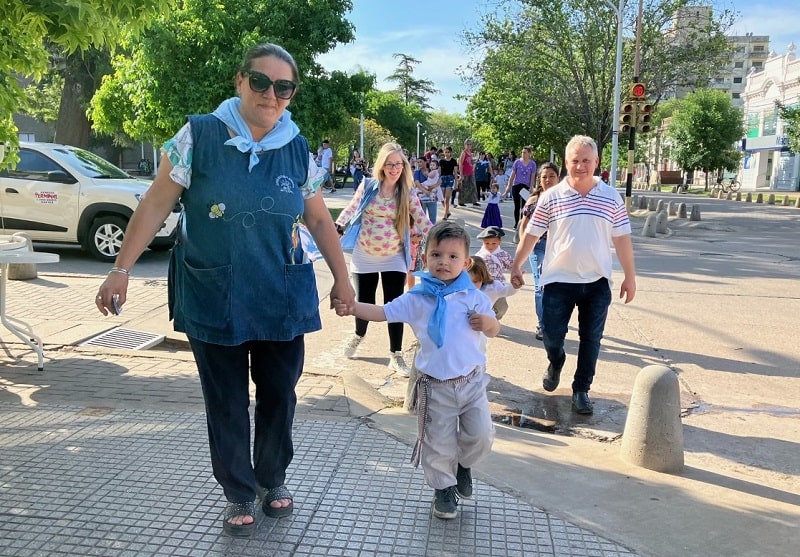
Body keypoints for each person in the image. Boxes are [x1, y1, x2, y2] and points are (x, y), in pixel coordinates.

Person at [93, 43, 356, 537]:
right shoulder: (199, 135)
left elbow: (319, 219)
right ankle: (237, 490)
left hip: (280, 292)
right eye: (261, 82)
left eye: (284, 87)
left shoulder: (297, 147)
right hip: (214, 292)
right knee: (226, 399)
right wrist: (121, 268)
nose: (271, 94)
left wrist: (343, 278)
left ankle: (271, 478)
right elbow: (155, 203)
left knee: (279, 393)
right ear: (240, 81)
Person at [332, 221, 499, 520]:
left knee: (482, 435)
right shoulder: (417, 298)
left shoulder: (473, 297)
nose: (444, 262)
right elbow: (383, 312)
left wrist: (488, 323)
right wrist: (354, 308)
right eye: (436, 255)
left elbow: (494, 329)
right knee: (438, 443)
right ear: (425, 258)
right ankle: (443, 489)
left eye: (452, 256)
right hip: (435, 387)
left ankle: (463, 465)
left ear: (466, 263)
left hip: (471, 383)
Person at [510, 135, 636, 415]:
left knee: (592, 339)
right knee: (552, 335)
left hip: (596, 282)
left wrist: (630, 276)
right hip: (558, 280)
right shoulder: (552, 196)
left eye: (586, 160)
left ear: (596, 162)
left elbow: (622, 239)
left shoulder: (611, 197)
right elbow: (531, 234)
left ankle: (581, 390)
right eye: (575, 161)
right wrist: (516, 265)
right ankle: (556, 361)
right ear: (566, 163)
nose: (581, 166)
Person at [335, 142, 433, 376]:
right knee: (364, 301)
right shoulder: (368, 186)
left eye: (399, 164)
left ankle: (396, 354)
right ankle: (358, 335)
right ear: (382, 165)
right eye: (390, 164)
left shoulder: (407, 192)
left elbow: (422, 219)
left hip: (394, 256)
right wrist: (339, 225)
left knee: (395, 304)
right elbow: (351, 209)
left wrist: (441, 237)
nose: (395, 169)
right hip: (365, 254)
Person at [517, 162, 560, 340]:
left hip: (558, 248)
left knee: (556, 287)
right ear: (539, 180)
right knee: (540, 285)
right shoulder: (534, 200)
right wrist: (524, 249)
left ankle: (554, 320)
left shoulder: (565, 199)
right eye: (544, 177)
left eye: (552, 176)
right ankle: (543, 325)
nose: (548, 180)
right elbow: (524, 227)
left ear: (558, 178)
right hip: (538, 246)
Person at [475, 226, 514, 319]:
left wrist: (517, 270)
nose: (490, 246)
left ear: (499, 242)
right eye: (487, 243)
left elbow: (511, 265)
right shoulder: (479, 255)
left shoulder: (503, 254)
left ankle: (494, 319)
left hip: (498, 285)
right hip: (483, 285)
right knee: (481, 305)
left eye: (494, 243)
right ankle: (484, 320)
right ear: (483, 242)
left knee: (502, 307)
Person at [467, 255, 520, 320]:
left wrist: (515, 286)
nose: (471, 286)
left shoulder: (492, 287)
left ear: (483, 277)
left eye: (475, 281)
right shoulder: (458, 289)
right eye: (467, 282)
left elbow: (507, 291)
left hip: (485, 322)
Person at [507, 145, 537, 229]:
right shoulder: (517, 162)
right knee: (516, 206)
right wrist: (509, 186)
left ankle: (522, 223)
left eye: (525, 152)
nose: (523, 154)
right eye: (522, 152)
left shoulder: (532, 164)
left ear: (529, 154)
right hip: (516, 185)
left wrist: (531, 186)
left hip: (525, 186)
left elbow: (532, 176)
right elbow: (513, 175)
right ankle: (516, 223)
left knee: (524, 206)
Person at [414, 157, 441, 223]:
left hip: (432, 197)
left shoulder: (432, 170)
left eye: (421, 162)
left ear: (426, 162)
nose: (419, 163)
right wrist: (425, 191)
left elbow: (440, 181)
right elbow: (417, 183)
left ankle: (433, 229)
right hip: (421, 198)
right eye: (418, 162)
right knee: (422, 218)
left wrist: (432, 187)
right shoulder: (417, 172)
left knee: (433, 218)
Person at [457, 138, 480, 206]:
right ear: (465, 145)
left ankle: (474, 200)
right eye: (467, 144)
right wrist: (461, 173)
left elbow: (470, 162)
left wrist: (474, 161)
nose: (469, 146)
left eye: (470, 144)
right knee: (464, 187)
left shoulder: (470, 153)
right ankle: (461, 201)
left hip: (471, 172)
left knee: (473, 186)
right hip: (465, 172)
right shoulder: (463, 153)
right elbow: (460, 163)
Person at [438, 146, 458, 219]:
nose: (447, 153)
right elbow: (439, 172)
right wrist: (437, 181)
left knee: (447, 198)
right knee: (442, 198)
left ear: (450, 153)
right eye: (445, 152)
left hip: (450, 179)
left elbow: (455, 173)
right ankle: (448, 211)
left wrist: (456, 183)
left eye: (448, 152)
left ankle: (445, 215)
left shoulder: (453, 161)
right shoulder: (441, 161)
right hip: (442, 179)